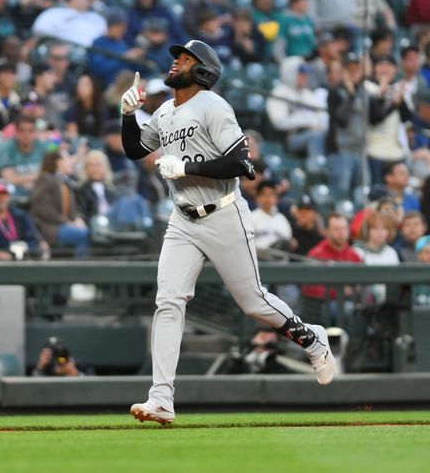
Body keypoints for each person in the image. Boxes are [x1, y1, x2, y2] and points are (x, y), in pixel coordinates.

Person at [120, 40, 336, 425]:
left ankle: (311, 338)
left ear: (202, 71)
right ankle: (161, 399)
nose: (175, 64)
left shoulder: (213, 105)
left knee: (252, 303)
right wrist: (127, 115)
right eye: (176, 58)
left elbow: (242, 164)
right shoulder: (166, 111)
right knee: (169, 301)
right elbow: (137, 149)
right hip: (183, 219)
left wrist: (186, 168)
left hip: (222, 213)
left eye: (184, 59)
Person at [265, 57, 329, 158]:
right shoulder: (279, 92)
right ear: (291, 72)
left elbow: (320, 118)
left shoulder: (307, 94)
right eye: (301, 72)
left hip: (309, 133)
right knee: (316, 136)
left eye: (306, 72)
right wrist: (307, 121)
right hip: (290, 138)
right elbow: (279, 122)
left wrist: (302, 118)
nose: (305, 76)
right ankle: (316, 170)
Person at [29, 149, 89, 256]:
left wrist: (77, 218)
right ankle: (81, 269)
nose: (70, 162)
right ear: (58, 162)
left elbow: (73, 208)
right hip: (50, 227)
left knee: (89, 231)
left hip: (64, 225)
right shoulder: (45, 179)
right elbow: (44, 210)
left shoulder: (65, 182)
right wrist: (67, 222)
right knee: (84, 234)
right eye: (67, 159)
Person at [327, 52, 367, 198]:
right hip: (341, 150)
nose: (354, 72)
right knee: (341, 191)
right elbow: (341, 119)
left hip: (361, 150)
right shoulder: (335, 91)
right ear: (344, 71)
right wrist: (350, 95)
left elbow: (375, 116)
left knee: (362, 193)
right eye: (350, 69)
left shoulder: (364, 92)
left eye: (357, 69)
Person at [0, 183, 42, 260]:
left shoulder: (20, 215)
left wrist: (24, 249)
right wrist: (6, 256)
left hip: (25, 258)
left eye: (4, 195)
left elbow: (33, 239)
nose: (1, 199)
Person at [303, 212, 363, 300]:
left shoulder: (354, 255)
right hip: (324, 306)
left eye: (344, 228)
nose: (341, 233)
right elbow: (308, 288)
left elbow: (363, 285)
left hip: (352, 304)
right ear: (327, 231)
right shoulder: (316, 254)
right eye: (336, 229)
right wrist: (338, 291)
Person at [353, 211, 399, 304]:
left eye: (384, 228)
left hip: (389, 303)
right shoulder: (357, 251)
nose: (380, 232)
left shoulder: (391, 252)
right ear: (367, 230)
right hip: (363, 301)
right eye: (375, 228)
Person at [0, 115, 46, 195]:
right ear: (16, 132)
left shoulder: (42, 147)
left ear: (35, 132)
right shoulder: (5, 148)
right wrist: (36, 176)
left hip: (38, 193)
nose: (26, 134)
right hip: (12, 195)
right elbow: (9, 179)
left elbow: (49, 175)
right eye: (22, 130)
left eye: (31, 130)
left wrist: (26, 181)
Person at [250, 180, 292, 252]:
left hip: (280, 260)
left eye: (271, 194)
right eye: (264, 194)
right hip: (259, 260)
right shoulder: (251, 217)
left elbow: (288, 243)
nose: (268, 198)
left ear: (276, 198)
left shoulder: (282, 219)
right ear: (257, 197)